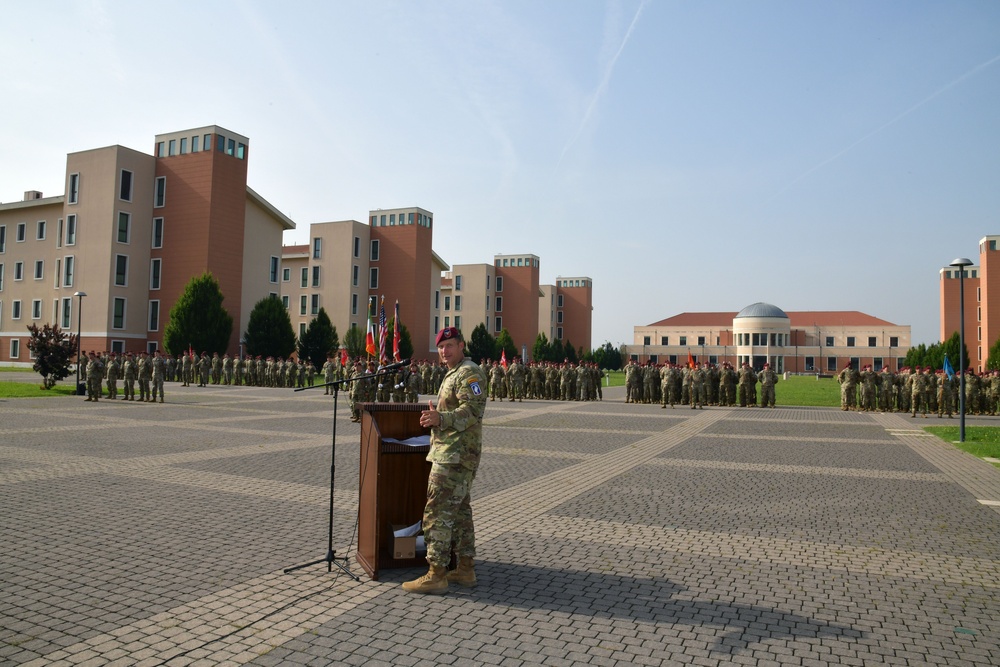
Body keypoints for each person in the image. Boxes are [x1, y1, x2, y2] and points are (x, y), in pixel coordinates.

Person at [403, 326, 487, 595]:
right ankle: (465, 568)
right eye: (441, 346)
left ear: (462, 346)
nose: (444, 350)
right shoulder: (454, 372)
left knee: (437, 511)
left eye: (450, 345)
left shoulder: (469, 371)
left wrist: (442, 419)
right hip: (452, 452)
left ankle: (436, 573)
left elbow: (473, 410)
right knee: (460, 512)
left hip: (455, 455)